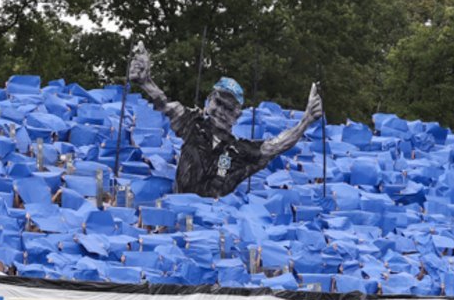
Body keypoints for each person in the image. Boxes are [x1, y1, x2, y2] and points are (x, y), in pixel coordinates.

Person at [129, 42, 324, 198]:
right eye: (218, 103)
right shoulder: (194, 126)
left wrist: (305, 121)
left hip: (212, 221)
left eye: (229, 108)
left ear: (237, 115)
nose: (221, 112)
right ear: (208, 101)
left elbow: (275, 146)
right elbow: (167, 106)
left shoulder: (239, 151)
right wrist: (146, 82)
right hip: (179, 209)